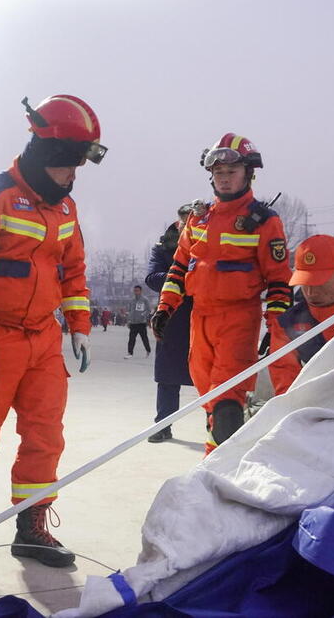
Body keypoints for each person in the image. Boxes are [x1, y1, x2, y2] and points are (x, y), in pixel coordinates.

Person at [0, 95, 106, 568]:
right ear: (44, 155)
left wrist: (79, 327)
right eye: (67, 165)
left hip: (43, 343)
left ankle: (31, 528)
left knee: (45, 437)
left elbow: (73, 273)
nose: (73, 175)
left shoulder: (66, 209)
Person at [152, 133, 292, 454]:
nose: (225, 179)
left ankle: (215, 473)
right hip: (199, 323)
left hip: (239, 321)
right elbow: (178, 268)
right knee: (210, 400)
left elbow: (279, 281)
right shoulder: (198, 219)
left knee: (227, 403)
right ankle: (222, 453)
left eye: (231, 172)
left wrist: (277, 326)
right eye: (218, 173)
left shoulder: (263, 222)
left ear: (248, 173)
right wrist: (165, 308)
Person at [267, 235, 334, 395]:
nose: (310, 292)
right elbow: (287, 393)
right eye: (305, 282)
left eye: (319, 282)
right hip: (308, 414)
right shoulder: (285, 326)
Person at [144, 205, 195, 443]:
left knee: (212, 374)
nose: (190, 226)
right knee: (167, 375)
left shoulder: (209, 241)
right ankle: (163, 424)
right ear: (179, 223)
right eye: (186, 222)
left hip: (204, 314)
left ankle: (217, 425)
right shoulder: (163, 247)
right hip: (171, 315)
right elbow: (152, 279)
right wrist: (181, 276)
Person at [124, 285, 153, 358]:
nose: (136, 292)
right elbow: (130, 311)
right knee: (131, 339)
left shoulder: (144, 300)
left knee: (144, 338)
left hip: (141, 323)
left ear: (140, 291)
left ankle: (148, 350)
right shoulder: (132, 300)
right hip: (133, 323)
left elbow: (148, 310)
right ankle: (130, 353)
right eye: (135, 290)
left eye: (137, 290)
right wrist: (129, 320)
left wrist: (143, 315)